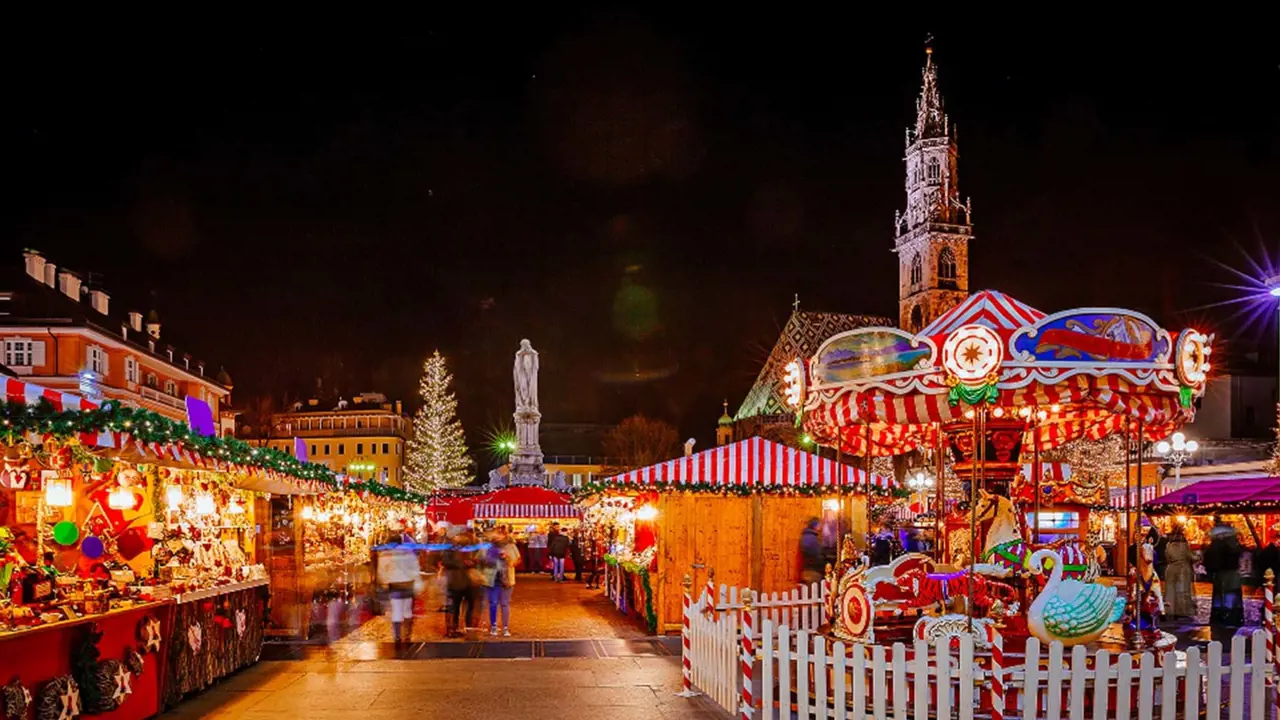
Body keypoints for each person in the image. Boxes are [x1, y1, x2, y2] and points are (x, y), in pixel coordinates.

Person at [376, 533, 422, 646]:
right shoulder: (408, 553)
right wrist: (417, 582)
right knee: (407, 611)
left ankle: (397, 636)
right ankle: (407, 636)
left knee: (396, 611)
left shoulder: (385, 555)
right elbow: (415, 569)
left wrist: (384, 582)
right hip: (408, 584)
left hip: (394, 585)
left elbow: (382, 571)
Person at [442, 530, 480, 638]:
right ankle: (453, 629)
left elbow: (479, 559)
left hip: (467, 582)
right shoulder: (451, 548)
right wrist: (463, 564)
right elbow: (446, 562)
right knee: (455, 607)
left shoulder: (472, 546)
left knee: (465, 607)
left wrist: (474, 562)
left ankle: (465, 629)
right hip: (457, 581)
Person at [1205, 516, 1244, 626]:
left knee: (1219, 595)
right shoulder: (1233, 546)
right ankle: (1232, 615)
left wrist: (1210, 571)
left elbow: (1210, 560)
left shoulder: (1215, 547)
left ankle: (1219, 616)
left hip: (1219, 574)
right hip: (1231, 573)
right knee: (1231, 594)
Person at [486, 526, 521, 636]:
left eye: (498, 534)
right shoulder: (489, 547)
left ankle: (505, 627)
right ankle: (494, 626)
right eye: (495, 534)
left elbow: (517, 560)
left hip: (506, 578)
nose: (496, 536)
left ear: (504, 535)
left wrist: (507, 557)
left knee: (504, 604)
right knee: (493, 603)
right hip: (492, 578)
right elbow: (482, 560)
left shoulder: (511, 546)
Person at [1163, 526, 1195, 617]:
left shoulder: (1169, 544)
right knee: (1182, 590)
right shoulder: (1184, 545)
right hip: (1183, 569)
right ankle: (1182, 611)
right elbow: (1190, 556)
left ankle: (1170, 610)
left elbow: (1167, 556)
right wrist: (1198, 557)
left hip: (1171, 568)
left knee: (1170, 590)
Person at [799, 518, 823, 585]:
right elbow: (817, 554)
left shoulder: (805, 536)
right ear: (815, 526)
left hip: (806, 569)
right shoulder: (812, 538)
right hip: (814, 571)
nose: (821, 526)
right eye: (819, 524)